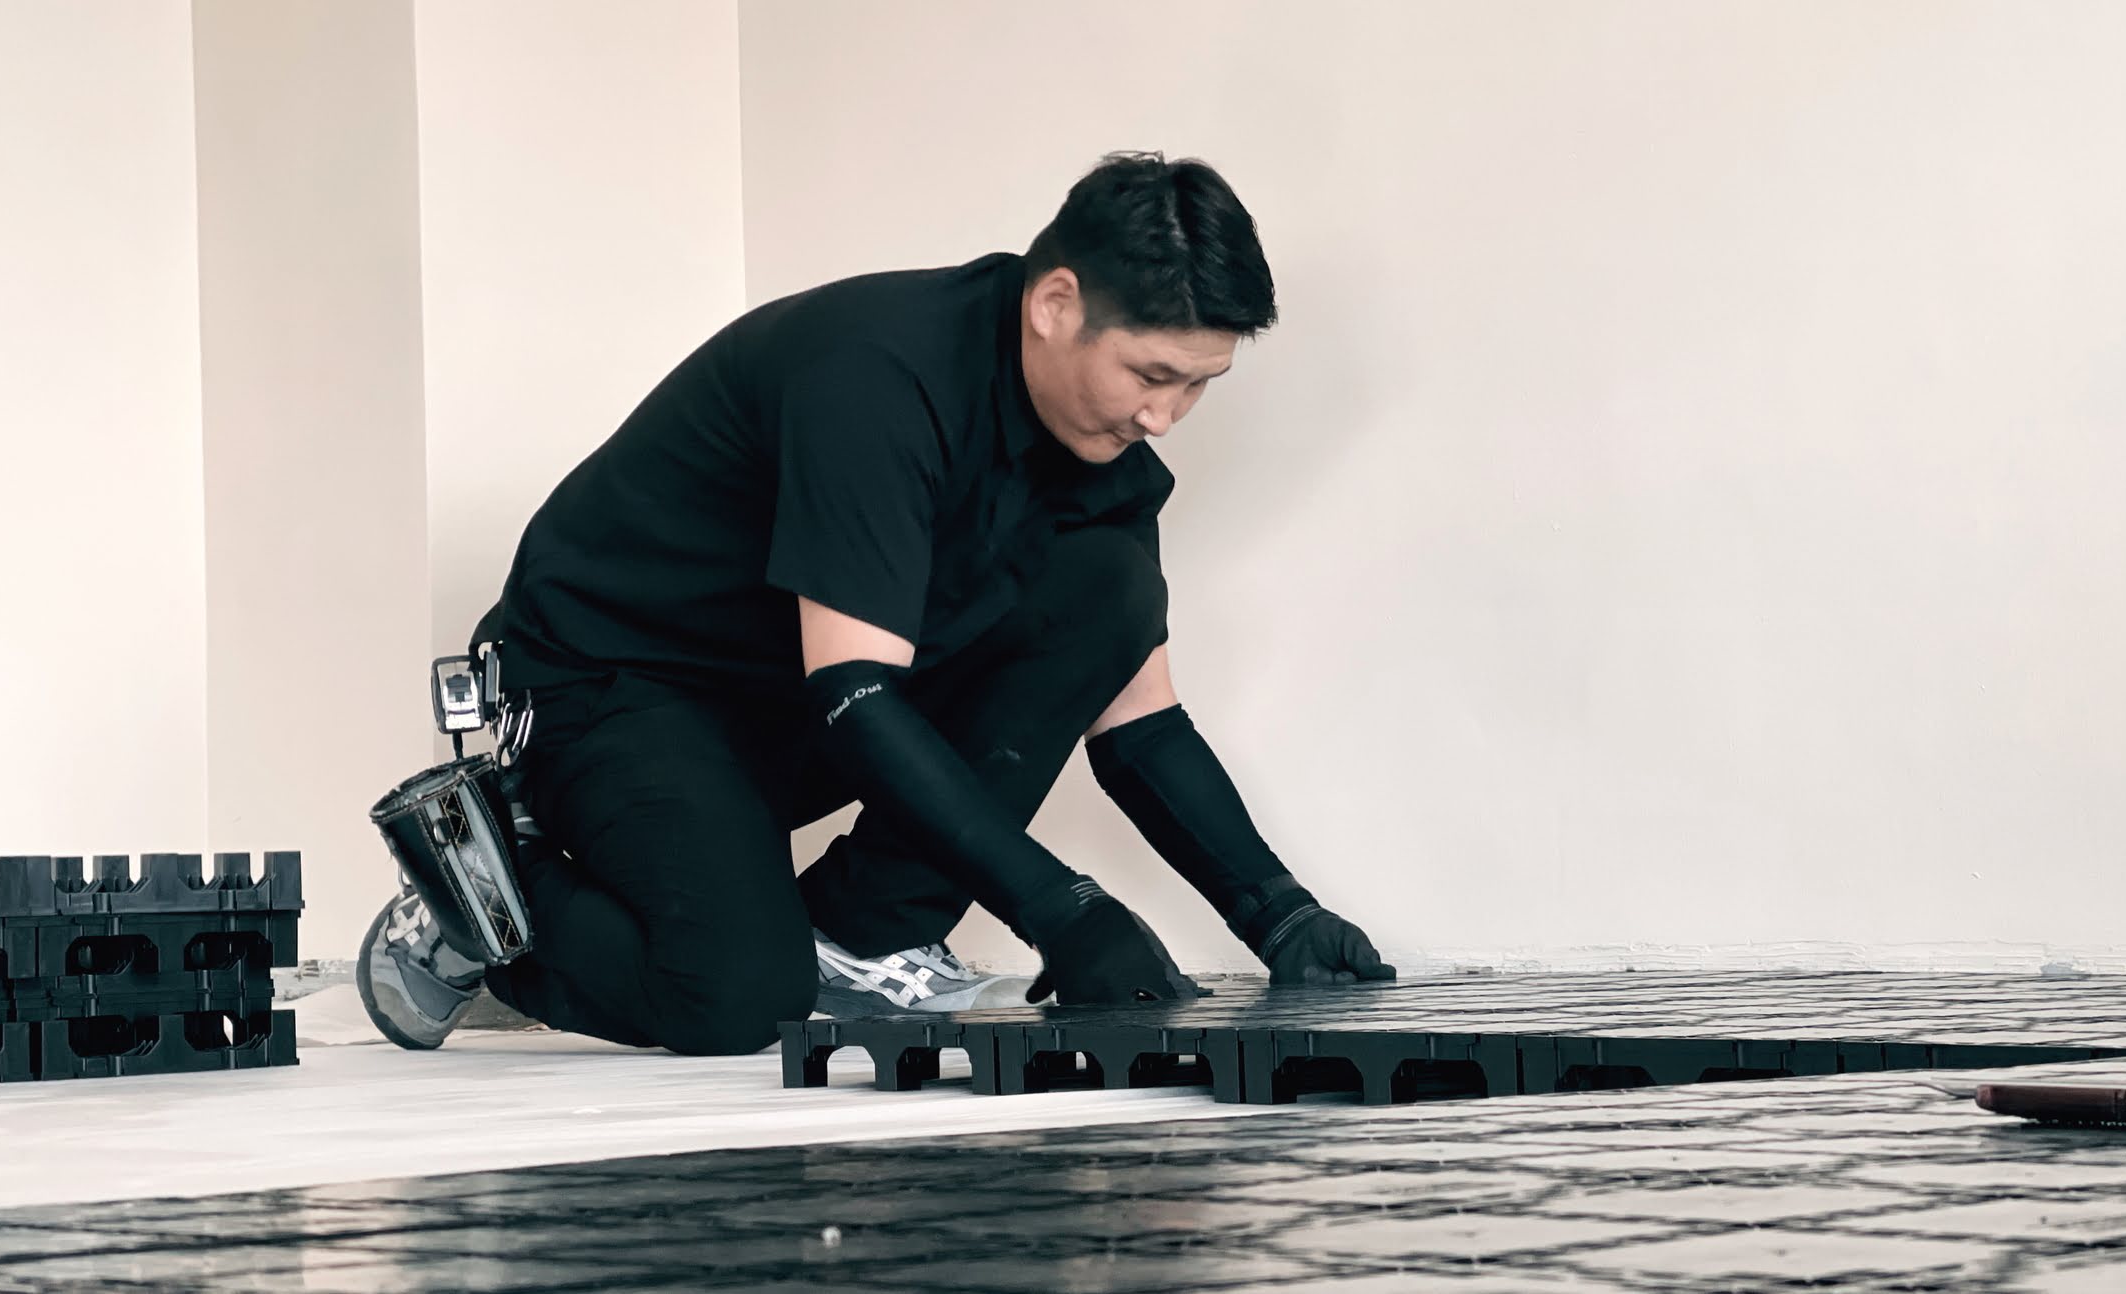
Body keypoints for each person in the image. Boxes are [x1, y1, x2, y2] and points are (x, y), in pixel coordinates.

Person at [359, 151, 1395, 1056]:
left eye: (1197, 386)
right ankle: (474, 892)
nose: (1165, 416)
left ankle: (859, 933)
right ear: (1055, 304)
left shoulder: (1102, 454)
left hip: (787, 698)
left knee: (1107, 589)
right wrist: (1063, 911)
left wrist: (1278, 914)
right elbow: (855, 695)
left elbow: (1140, 723)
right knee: (735, 995)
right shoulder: (879, 377)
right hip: (611, 683)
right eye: (1150, 374)